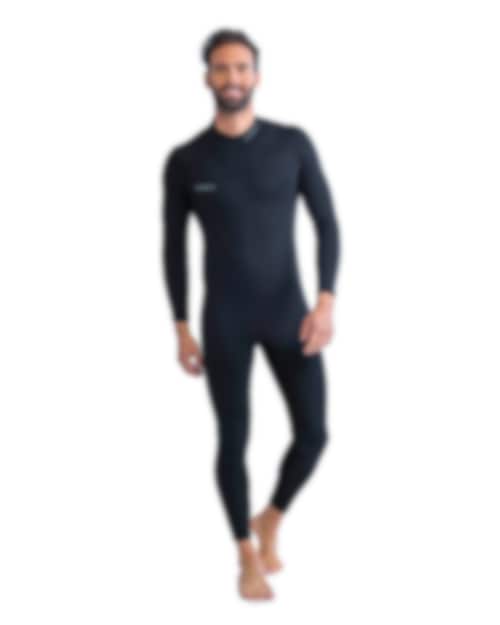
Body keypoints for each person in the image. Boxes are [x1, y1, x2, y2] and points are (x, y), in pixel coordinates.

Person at [161, 28, 341, 601]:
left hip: (289, 314)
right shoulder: (187, 160)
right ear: (207, 79)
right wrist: (182, 327)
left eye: (241, 68)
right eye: (221, 68)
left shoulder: (292, 144)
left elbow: (327, 222)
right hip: (226, 321)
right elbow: (173, 248)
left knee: (313, 433)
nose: (232, 78)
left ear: (256, 76)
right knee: (233, 439)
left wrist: (326, 301)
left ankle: (271, 518)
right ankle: (245, 553)